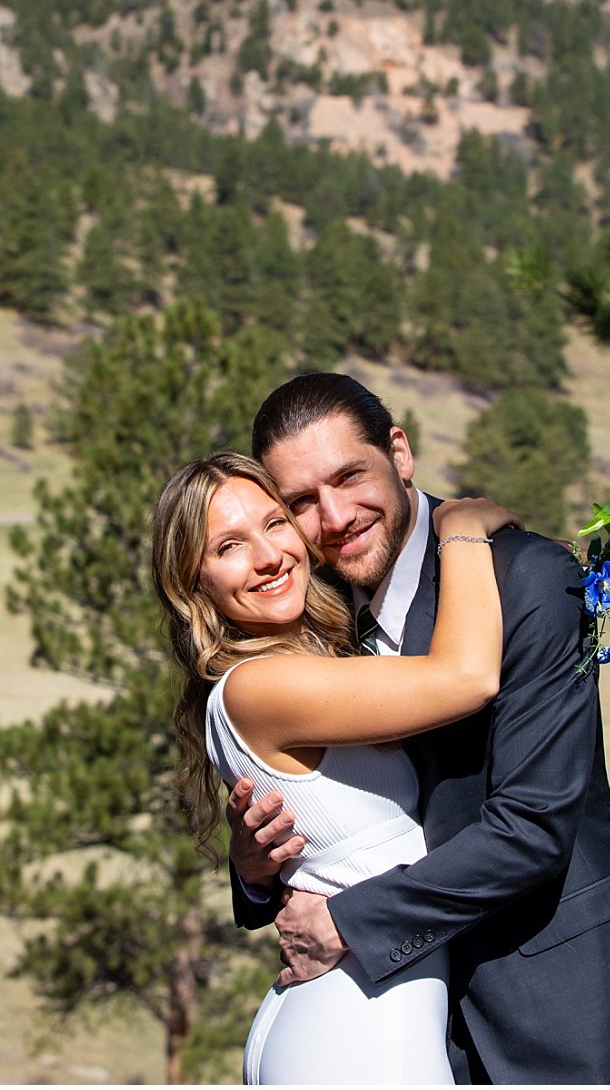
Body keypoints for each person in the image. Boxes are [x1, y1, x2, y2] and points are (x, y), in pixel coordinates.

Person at [225, 373, 610, 1085]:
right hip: (416, 1031)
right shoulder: (313, 609)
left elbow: (532, 826)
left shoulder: (527, 578)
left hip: (573, 1018)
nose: (335, 516)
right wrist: (255, 868)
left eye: (349, 477)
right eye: (300, 502)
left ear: (400, 453)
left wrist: (349, 921)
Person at [152, 450, 507, 1083]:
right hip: (357, 1025)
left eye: (275, 523)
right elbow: (467, 677)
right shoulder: (259, 687)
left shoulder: (304, 661)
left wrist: (252, 871)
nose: (268, 556)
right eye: (229, 546)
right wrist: (461, 528)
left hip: (362, 1010)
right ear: (192, 582)